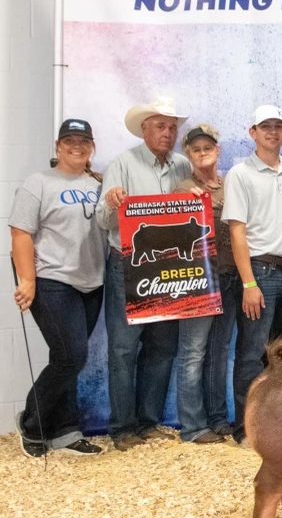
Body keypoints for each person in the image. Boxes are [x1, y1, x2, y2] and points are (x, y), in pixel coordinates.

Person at [96, 96, 191, 451]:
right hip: (128, 263)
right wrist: (111, 203)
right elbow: (103, 222)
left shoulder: (183, 166)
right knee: (123, 348)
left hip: (168, 267)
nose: (167, 133)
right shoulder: (122, 165)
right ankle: (122, 427)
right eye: (160, 127)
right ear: (144, 130)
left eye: (172, 127)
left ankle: (147, 422)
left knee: (163, 346)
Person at [11, 119, 106, 457]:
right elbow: (20, 233)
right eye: (69, 140)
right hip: (52, 280)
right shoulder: (38, 183)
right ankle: (32, 423)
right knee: (72, 356)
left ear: (92, 147)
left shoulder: (99, 184)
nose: (76, 146)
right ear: (58, 146)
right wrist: (27, 280)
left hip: (92, 282)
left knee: (67, 357)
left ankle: (64, 430)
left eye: (83, 140)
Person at [222, 105, 282, 444]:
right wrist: (249, 282)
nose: (272, 132)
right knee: (253, 351)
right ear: (253, 132)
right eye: (265, 126)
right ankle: (246, 428)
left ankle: (277, 425)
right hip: (260, 270)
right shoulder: (240, 173)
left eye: (278, 126)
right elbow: (237, 231)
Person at [173, 125, 234, 443]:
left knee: (219, 350)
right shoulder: (182, 189)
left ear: (217, 149)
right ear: (189, 154)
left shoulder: (230, 185)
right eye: (195, 149)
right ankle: (193, 426)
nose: (202, 153)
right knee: (193, 350)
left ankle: (218, 417)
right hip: (196, 280)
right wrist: (185, 202)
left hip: (227, 275)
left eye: (207, 147)